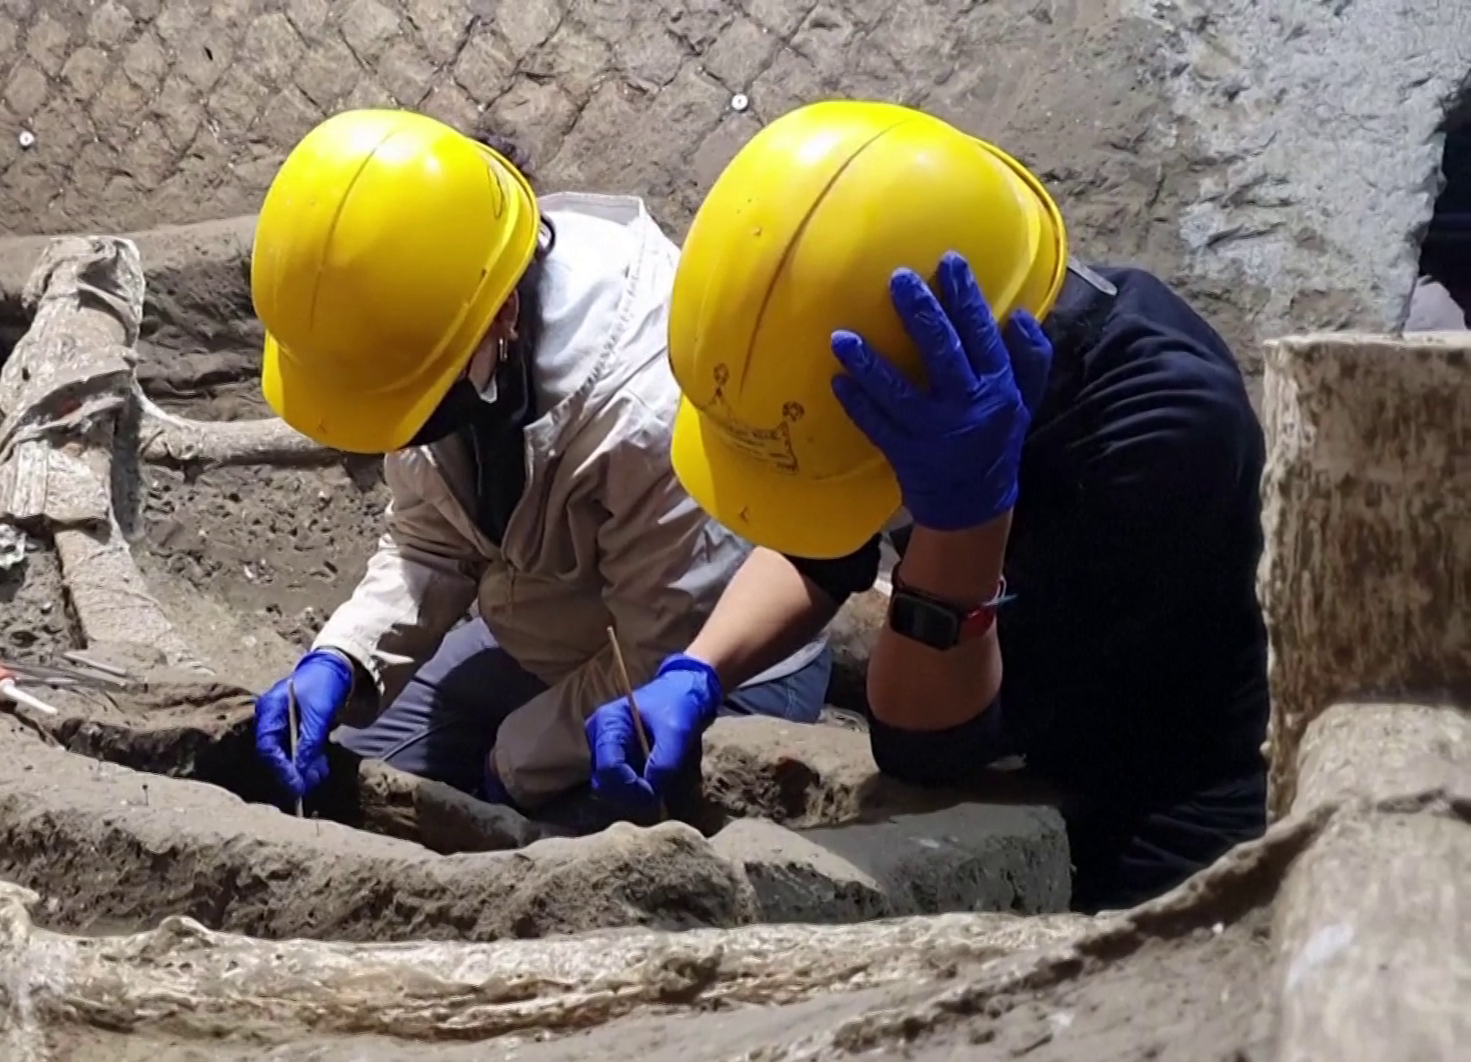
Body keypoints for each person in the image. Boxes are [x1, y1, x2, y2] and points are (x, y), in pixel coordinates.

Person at [585, 101, 1271, 912]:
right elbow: (821, 542)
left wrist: (961, 519)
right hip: (1011, 745)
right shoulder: (933, 366)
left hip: (1163, 800)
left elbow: (929, 740)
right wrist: (699, 670)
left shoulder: (1161, 428)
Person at [247, 108, 830, 817]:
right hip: (552, 625)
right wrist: (342, 656)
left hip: (708, 668)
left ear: (499, 321)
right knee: (367, 771)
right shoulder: (431, 317)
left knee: (577, 849)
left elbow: (663, 648)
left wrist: (521, 756)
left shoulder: (645, 403)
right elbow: (433, 537)